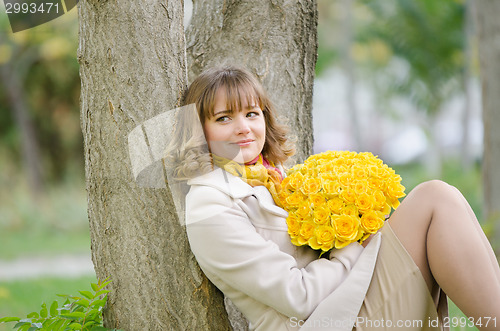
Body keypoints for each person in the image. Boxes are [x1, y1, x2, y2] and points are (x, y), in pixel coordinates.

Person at [166, 64, 500, 331]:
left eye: (251, 114)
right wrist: (354, 244)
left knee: (438, 198)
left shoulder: (272, 178)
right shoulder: (211, 205)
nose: (243, 128)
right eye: (224, 118)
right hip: (328, 321)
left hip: (350, 302)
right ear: (199, 130)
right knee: (434, 198)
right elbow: (298, 297)